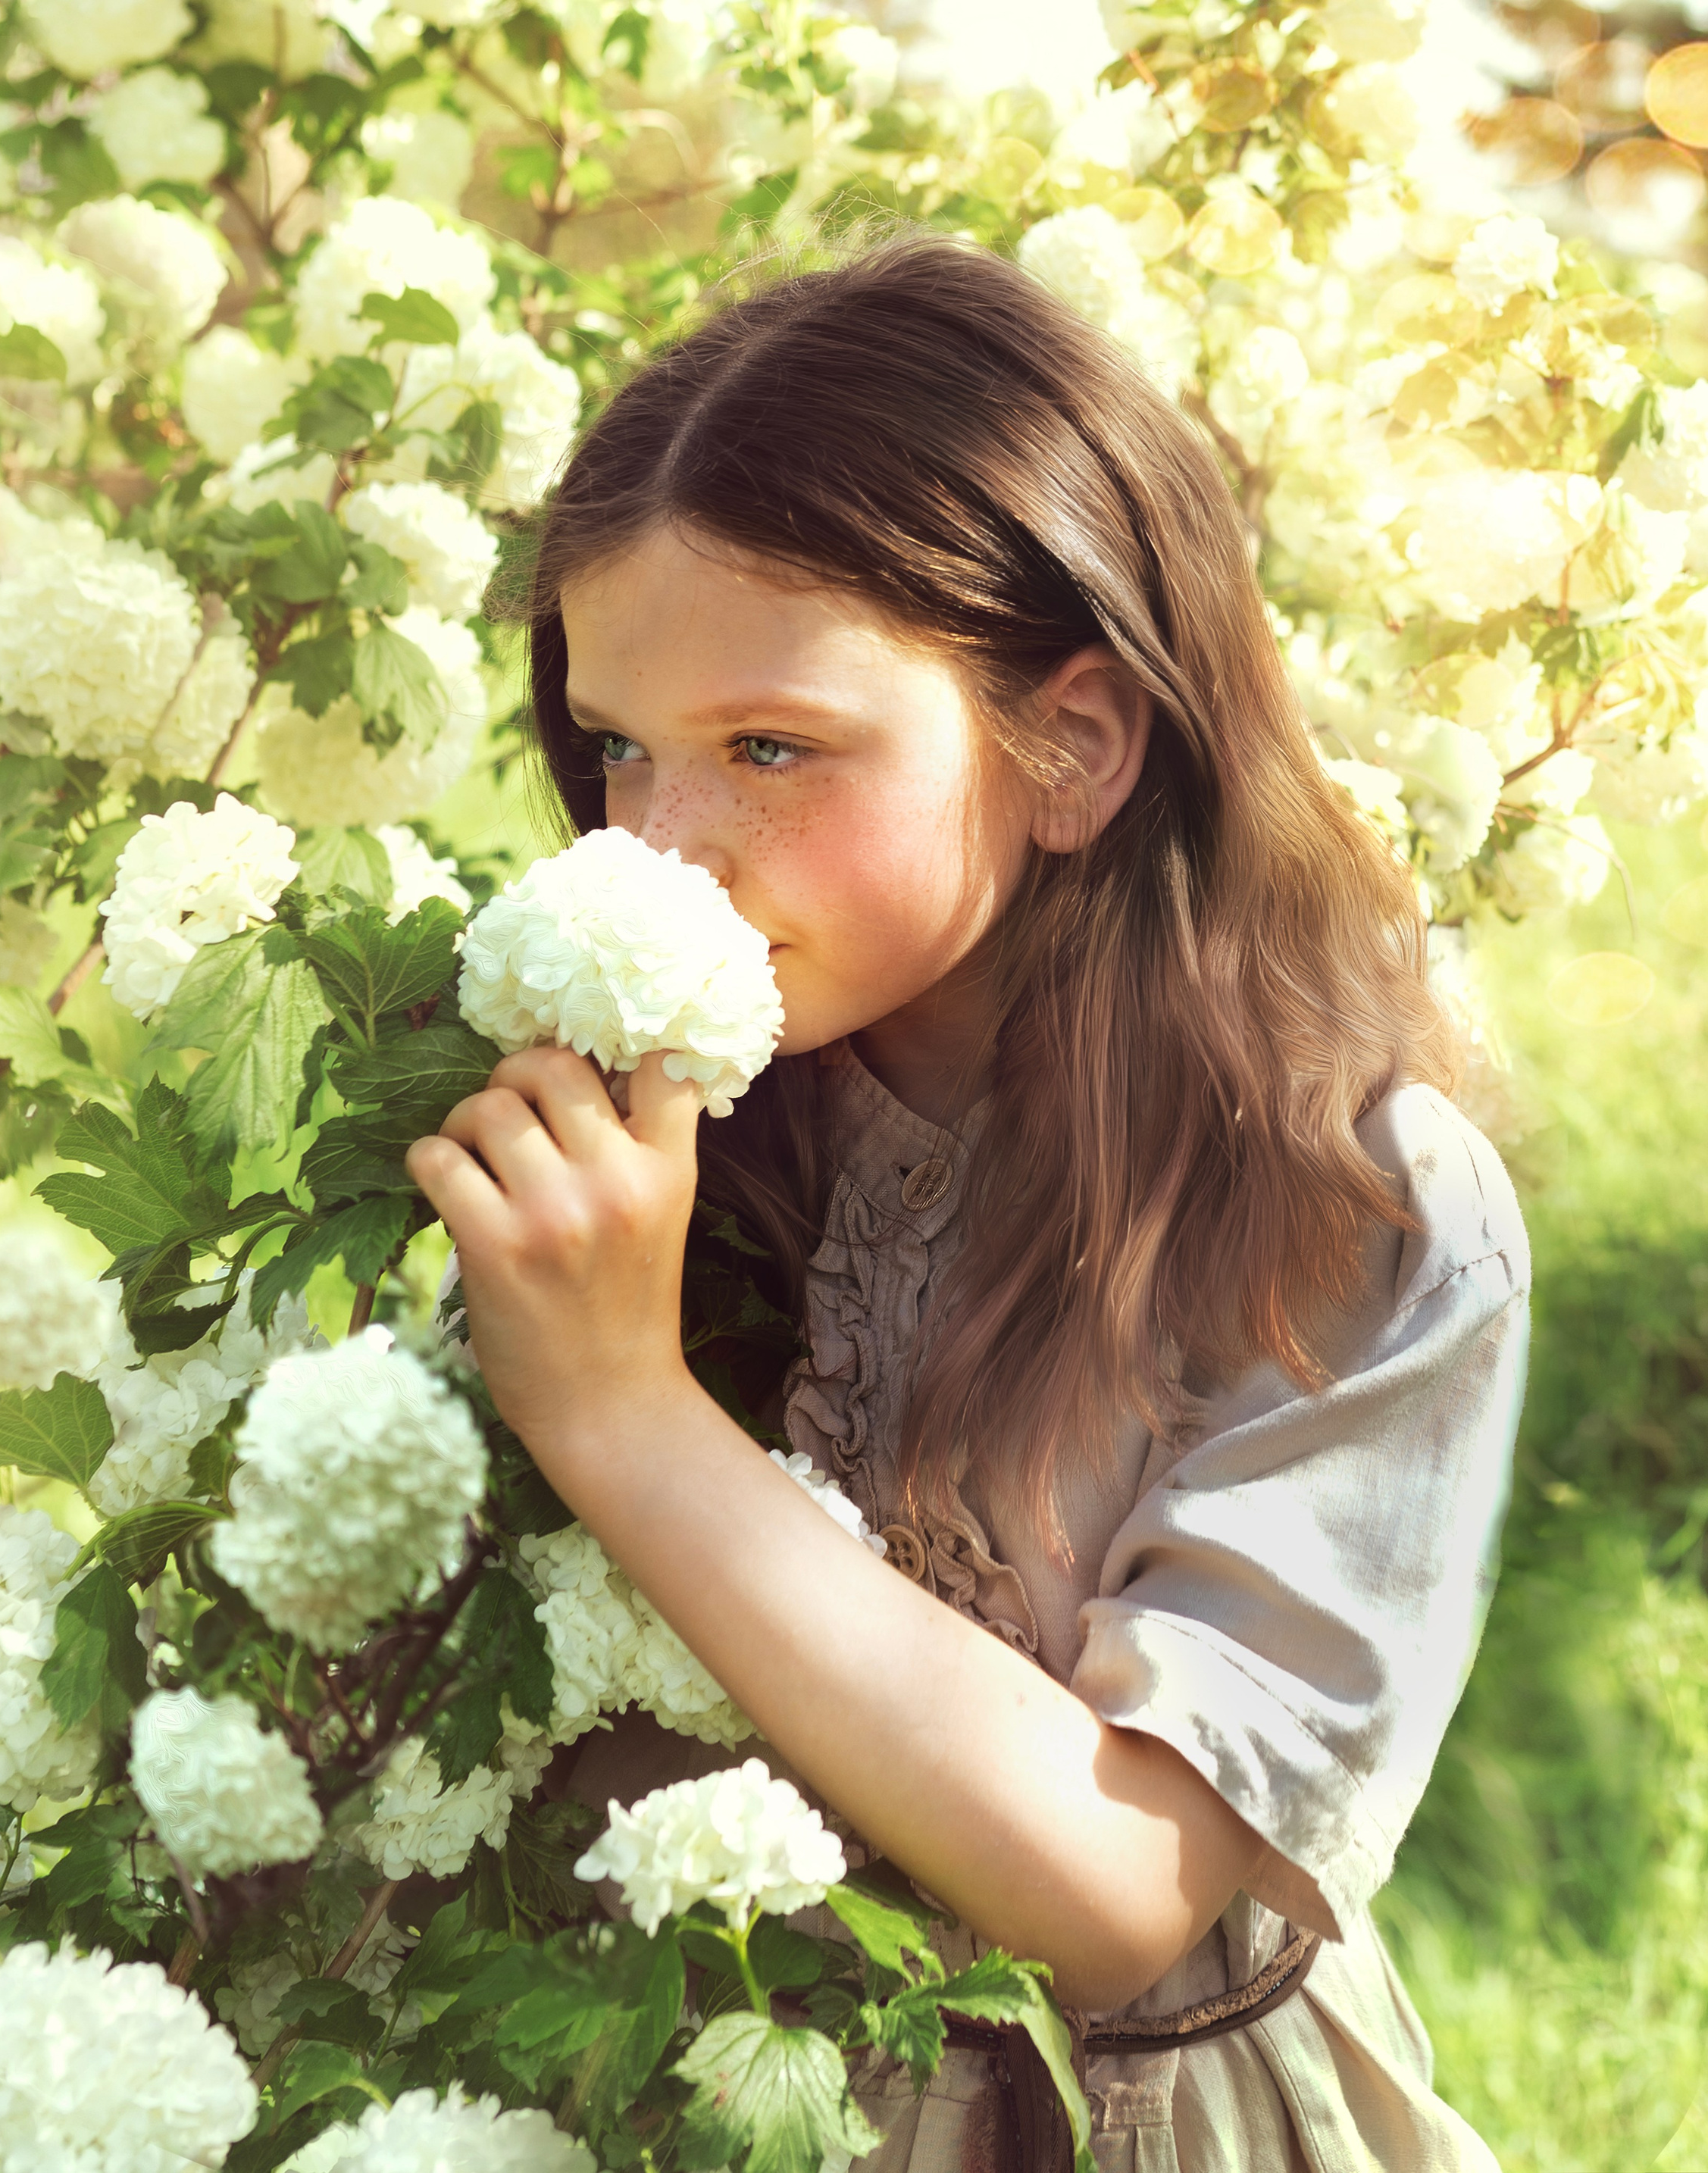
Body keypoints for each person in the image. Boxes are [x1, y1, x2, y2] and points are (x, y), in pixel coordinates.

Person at [406, 237, 1528, 2173]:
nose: (659, 846)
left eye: (771, 749)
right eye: (615, 748)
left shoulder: (1349, 1206)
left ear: (1072, 745)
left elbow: (1115, 1883)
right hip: (647, 2076)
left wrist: (615, 1409)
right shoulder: (652, 1103)